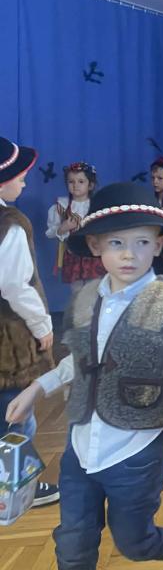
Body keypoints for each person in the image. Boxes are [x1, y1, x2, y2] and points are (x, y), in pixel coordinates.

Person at [6, 182, 163, 570]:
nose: (129, 254)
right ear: (95, 247)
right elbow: (80, 358)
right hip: (80, 447)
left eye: (141, 242)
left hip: (136, 452)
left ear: (158, 246)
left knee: (134, 541)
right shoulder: (85, 299)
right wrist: (38, 387)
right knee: (72, 542)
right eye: (116, 243)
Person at [0, 136, 60, 507]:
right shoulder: (11, 223)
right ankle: (16, 492)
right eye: (20, 177)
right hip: (7, 343)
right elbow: (14, 285)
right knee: (16, 415)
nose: (24, 183)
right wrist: (42, 327)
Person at [46, 162, 106, 293]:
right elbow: (50, 232)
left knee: (96, 288)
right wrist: (63, 228)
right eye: (71, 182)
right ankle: (77, 306)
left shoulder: (98, 205)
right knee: (76, 290)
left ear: (90, 185)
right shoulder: (61, 206)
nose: (75, 185)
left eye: (81, 181)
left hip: (94, 254)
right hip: (73, 254)